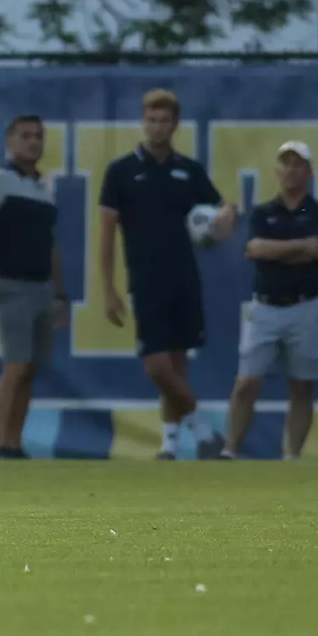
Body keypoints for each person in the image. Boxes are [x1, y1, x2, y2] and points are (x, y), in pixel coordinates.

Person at [98, 88, 234, 459]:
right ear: (143, 122)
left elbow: (222, 209)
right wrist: (108, 288)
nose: (157, 127)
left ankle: (169, 444)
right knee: (156, 365)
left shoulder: (189, 170)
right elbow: (106, 232)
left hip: (184, 277)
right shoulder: (122, 171)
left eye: (164, 120)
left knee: (176, 364)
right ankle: (203, 432)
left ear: (175, 125)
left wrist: (225, 218)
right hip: (145, 279)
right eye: (151, 120)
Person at [0, 115, 68, 459]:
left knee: (30, 370)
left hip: (41, 288)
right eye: (26, 136)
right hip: (10, 284)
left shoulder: (44, 187)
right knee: (15, 367)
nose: (33, 142)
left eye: (38, 136)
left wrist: (59, 293)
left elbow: (50, 244)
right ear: (10, 141)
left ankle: (14, 443)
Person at [223, 141, 318, 460]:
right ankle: (229, 450)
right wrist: (297, 246)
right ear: (277, 170)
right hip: (265, 306)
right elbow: (253, 250)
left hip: (306, 306)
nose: (291, 170)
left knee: (302, 385)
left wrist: (272, 250)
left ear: (309, 172)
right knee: (246, 382)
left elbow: (317, 252)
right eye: (285, 164)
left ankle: (291, 456)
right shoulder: (263, 212)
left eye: (298, 164)